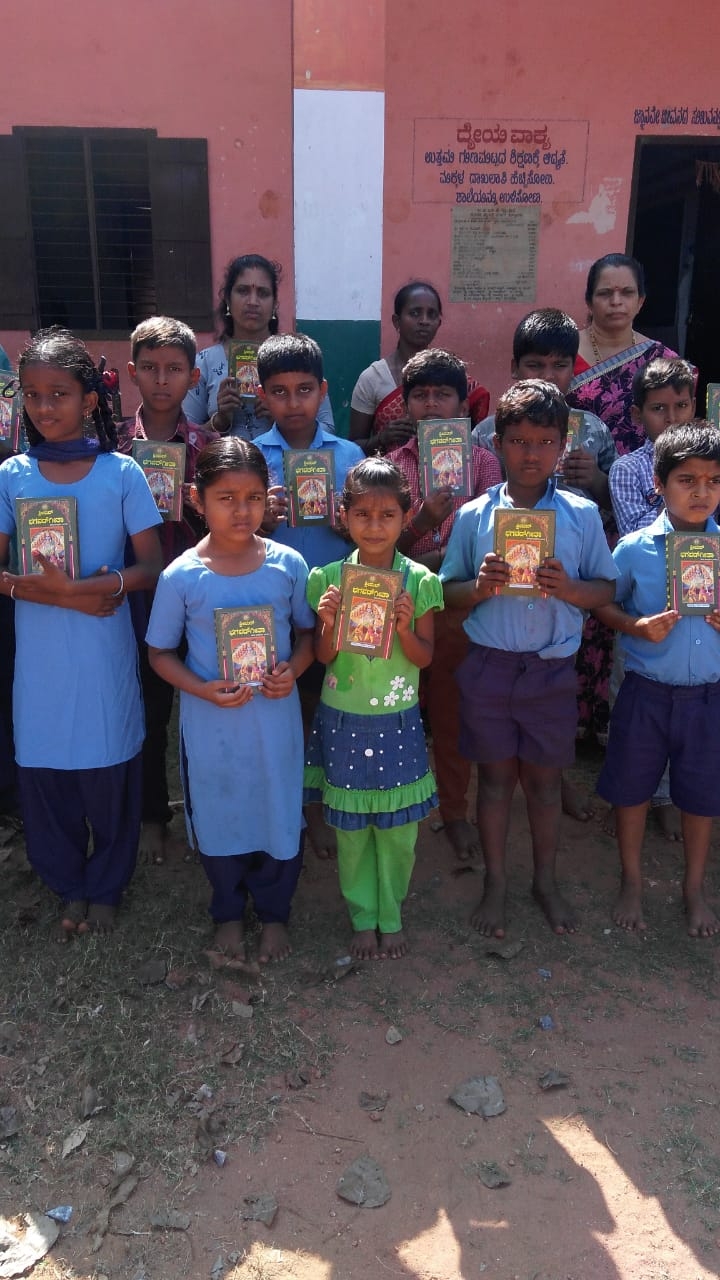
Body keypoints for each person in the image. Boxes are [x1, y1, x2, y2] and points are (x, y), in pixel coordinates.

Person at [0, 327, 163, 938]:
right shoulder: (11, 475)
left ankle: (107, 882)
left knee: (107, 757)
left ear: (89, 400)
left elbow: (151, 567)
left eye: (59, 394)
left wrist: (96, 590)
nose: (45, 408)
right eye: (34, 396)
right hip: (40, 652)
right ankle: (67, 879)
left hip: (102, 644)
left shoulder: (121, 473)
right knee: (45, 762)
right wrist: (39, 589)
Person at [440, 380, 617, 938]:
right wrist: (480, 587)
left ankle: (545, 879)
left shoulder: (582, 515)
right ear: (497, 443)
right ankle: (496, 882)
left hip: (550, 669)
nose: (532, 453)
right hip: (489, 667)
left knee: (544, 785)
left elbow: (606, 591)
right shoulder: (474, 515)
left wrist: (569, 588)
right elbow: (446, 592)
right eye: (519, 440)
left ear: (564, 444)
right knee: (493, 783)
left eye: (545, 441)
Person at [146, 438, 315, 964]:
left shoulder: (288, 564)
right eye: (227, 498)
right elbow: (158, 654)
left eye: (254, 498)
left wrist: (295, 669)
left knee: (276, 808)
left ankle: (274, 913)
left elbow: (309, 637)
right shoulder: (181, 576)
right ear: (198, 499)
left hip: (274, 722)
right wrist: (200, 688)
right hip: (211, 726)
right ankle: (226, 911)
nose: (242, 511)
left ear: (271, 498)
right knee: (220, 811)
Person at [304, 457, 443, 959]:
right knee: (350, 830)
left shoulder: (420, 581)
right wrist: (328, 621)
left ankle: (392, 913)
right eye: (363, 514)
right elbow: (323, 657)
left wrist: (404, 627)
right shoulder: (328, 580)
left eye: (387, 515)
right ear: (344, 517)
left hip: (397, 720)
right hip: (342, 719)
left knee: (399, 830)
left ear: (406, 518)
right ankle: (363, 916)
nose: (375, 525)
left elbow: (425, 657)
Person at [594, 423, 720, 937]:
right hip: (645, 693)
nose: (701, 492)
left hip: (707, 697)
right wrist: (635, 626)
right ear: (659, 483)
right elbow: (604, 604)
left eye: (713, 480)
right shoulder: (634, 550)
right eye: (687, 480)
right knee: (632, 791)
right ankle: (631, 880)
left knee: (700, 796)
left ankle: (694, 888)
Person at [388, 348, 501, 861]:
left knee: (454, 713)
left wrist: (452, 560)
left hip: (462, 608)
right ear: (405, 405)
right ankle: (393, 799)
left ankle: (454, 809)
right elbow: (381, 551)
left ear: (463, 403)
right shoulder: (388, 468)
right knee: (398, 709)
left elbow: (501, 537)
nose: (431, 405)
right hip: (406, 608)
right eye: (420, 395)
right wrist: (422, 524)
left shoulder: (483, 463)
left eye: (443, 395)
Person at [254, 333, 364, 861]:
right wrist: (261, 521)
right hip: (276, 609)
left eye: (303, 390)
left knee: (330, 706)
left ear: (322, 391)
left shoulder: (349, 456)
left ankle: (327, 802)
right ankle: (294, 806)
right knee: (288, 707)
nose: (292, 403)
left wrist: (351, 530)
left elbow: (372, 534)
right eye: (279, 392)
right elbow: (236, 536)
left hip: (336, 608)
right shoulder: (254, 459)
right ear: (262, 396)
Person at [117, 316, 218, 865]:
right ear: (132, 373)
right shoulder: (109, 447)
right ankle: (153, 813)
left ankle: (210, 811)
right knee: (150, 708)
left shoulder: (209, 447)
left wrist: (199, 504)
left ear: (193, 376)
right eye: (151, 369)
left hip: (200, 600)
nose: (162, 380)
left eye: (174, 369)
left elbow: (229, 528)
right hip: (134, 598)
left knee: (205, 706)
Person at [182, 254, 335, 440]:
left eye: (263, 293)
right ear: (228, 301)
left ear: (274, 304)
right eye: (243, 291)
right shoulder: (204, 363)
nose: (253, 302)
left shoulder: (297, 357)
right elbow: (185, 438)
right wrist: (220, 420)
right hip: (224, 467)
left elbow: (328, 432)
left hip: (283, 467)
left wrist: (283, 421)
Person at [349, 282, 489, 453]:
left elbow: (471, 442)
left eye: (431, 314)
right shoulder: (373, 378)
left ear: (439, 322)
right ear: (396, 321)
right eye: (415, 313)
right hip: (389, 475)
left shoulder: (453, 374)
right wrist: (382, 438)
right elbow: (352, 448)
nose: (424, 321)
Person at [567, 253, 680, 456]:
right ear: (589, 302)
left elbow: (677, 427)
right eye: (605, 293)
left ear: (640, 301)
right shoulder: (563, 352)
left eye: (627, 293)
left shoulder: (663, 359)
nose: (616, 301)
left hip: (644, 479)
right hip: (575, 476)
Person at [609, 358, 697, 537]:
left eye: (681, 406)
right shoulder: (627, 469)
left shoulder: (711, 463)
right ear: (637, 415)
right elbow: (634, 535)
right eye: (658, 408)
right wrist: (676, 489)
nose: (671, 418)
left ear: (693, 407)